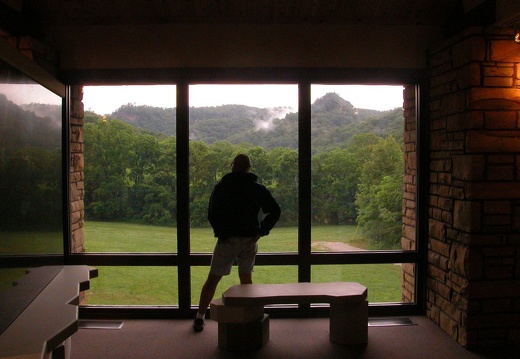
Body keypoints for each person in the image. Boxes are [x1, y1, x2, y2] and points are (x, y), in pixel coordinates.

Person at [193, 154, 281, 332]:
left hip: (228, 240)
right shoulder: (257, 188)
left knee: (213, 279)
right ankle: (250, 317)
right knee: (246, 279)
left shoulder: (222, 187)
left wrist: (222, 233)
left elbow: (213, 213)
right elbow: (275, 210)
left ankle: (200, 317)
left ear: (233, 166)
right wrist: (261, 231)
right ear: (249, 167)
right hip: (249, 240)